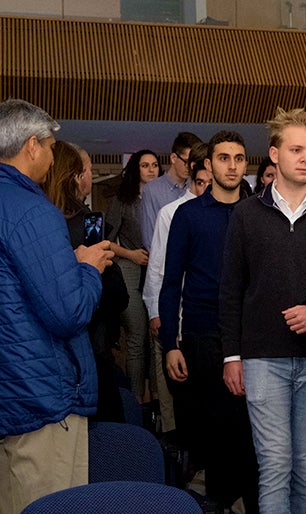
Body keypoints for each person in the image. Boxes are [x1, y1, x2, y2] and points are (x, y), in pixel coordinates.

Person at [219, 107, 306, 514]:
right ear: (274, 154)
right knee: (276, 465)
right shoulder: (246, 215)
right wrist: (231, 355)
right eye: (296, 149)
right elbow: (230, 290)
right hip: (262, 356)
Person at [0, 98, 114, 514]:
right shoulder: (33, 210)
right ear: (32, 146)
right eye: (49, 147)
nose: (52, 158)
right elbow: (68, 312)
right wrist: (87, 267)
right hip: (43, 399)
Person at [158, 131, 258, 511]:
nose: (232, 165)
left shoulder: (257, 213)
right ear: (208, 165)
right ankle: (217, 503)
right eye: (223, 158)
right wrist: (171, 343)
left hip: (252, 336)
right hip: (203, 336)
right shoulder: (188, 214)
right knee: (218, 434)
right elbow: (170, 284)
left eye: (238, 158)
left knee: (252, 436)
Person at [42, 141, 129, 424]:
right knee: (103, 437)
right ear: (77, 176)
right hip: (91, 342)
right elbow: (116, 292)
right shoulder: (88, 224)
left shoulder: (37, 218)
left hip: (47, 354)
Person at [143, 141, 211, 446]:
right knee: (182, 395)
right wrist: (156, 313)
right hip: (178, 317)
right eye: (202, 180)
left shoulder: (230, 211)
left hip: (209, 323)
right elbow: (158, 268)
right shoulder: (172, 213)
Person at [106, 149, 156, 401]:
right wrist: (131, 254)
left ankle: (157, 400)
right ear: (136, 169)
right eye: (145, 165)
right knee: (137, 335)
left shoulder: (164, 199)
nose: (151, 169)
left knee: (156, 336)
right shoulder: (123, 200)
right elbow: (106, 241)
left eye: (155, 165)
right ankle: (137, 403)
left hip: (156, 271)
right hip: (129, 267)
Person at [140, 131, 201, 250]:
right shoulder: (152, 190)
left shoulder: (198, 187)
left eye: (194, 164)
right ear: (173, 158)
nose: (190, 168)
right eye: (186, 162)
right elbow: (150, 239)